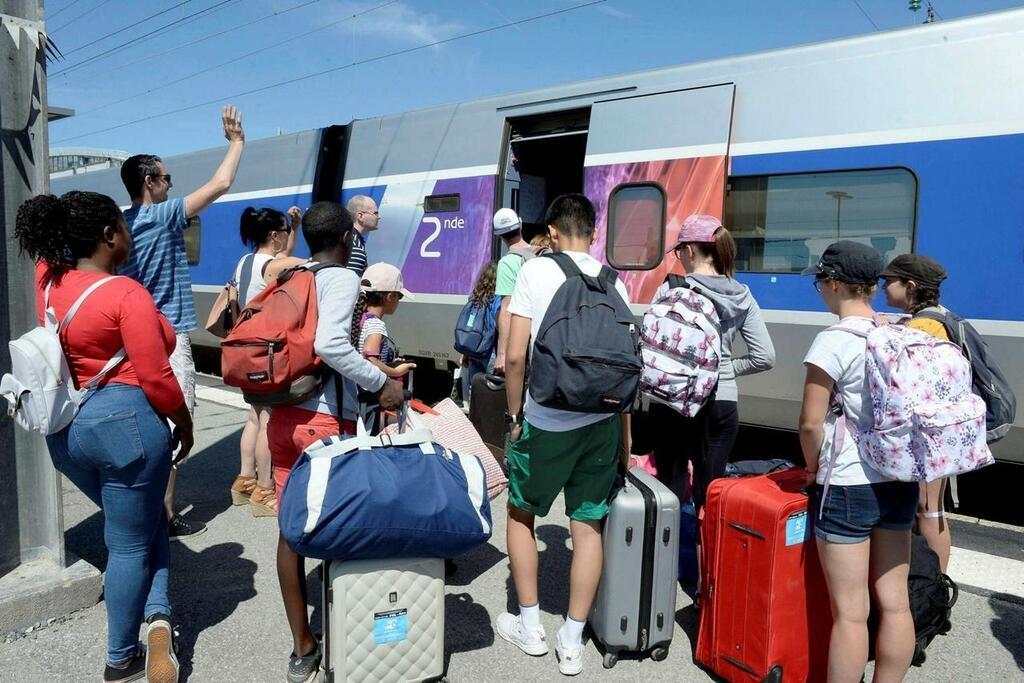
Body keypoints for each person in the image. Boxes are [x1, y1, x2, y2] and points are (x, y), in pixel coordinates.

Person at [15, 191, 193, 683]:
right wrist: (185, 422)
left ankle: (158, 620)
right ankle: (120, 658)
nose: (130, 232)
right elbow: (157, 379)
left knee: (141, 526)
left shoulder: (47, 279)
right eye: (124, 224)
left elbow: (49, 253)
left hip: (67, 432)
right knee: (130, 544)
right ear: (108, 236)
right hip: (128, 431)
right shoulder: (126, 294)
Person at [266, 202, 405, 682]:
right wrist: (379, 383)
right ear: (347, 236)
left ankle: (303, 646)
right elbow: (329, 344)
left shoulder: (292, 275)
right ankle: (353, 643)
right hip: (322, 423)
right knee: (344, 527)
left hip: (282, 421)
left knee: (290, 533)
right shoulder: (342, 277)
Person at [498, 194, 631, 677]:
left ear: (552, 232)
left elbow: (515, 357)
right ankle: (572, 640)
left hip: (547, 418)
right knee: (588, 526)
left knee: (520, 514)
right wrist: (624, 439)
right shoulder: (615, 279)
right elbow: (624, 366)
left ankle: (530, 626)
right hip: (601, 422)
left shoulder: (536, 270)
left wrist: (515, 416)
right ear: (593, 232)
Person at [119, 105, 245, 539]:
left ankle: (141, 510)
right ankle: (165, 518)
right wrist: (236, 143)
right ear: (149, 182)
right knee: (174, 427)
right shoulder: (161, 214)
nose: (172, 185)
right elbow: (221, 183)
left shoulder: (120, 223)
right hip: (167, 339)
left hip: (129, 339)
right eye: (167, 178)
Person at [800, 241, 917, 682]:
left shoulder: (832, 340)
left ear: (832, 284)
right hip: (898, 476)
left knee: (850, 613)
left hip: (848, 483)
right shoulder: (896, 329)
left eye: (819, 283)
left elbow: (811, 423)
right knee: (895, 601)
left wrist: (812, 469)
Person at [650, 215, 775, 510]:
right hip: (722, 402)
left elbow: (654, 348)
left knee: (670, 489)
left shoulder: (671, 289)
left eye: (679, 250)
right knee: (710, 496)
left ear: (690, 250)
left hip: (674, 401)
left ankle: (671, 553)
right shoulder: (743, 295)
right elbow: (765, 356)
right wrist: (724, 371)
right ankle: (707, 555)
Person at [230, 205, 306, 517]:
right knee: (268, 420)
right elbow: (304, 263)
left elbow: (278, 256)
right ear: (275, 236)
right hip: (267, 352)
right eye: (286, 232)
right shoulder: (275, 266)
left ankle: (245, 480)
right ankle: (265, 488)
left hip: (244, 348)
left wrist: (295, 227)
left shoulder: (244, 262)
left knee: (253, 416)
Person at [880, 253, 953, 571]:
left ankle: (933, 586)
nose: (883, 287)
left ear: (909, 286)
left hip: (928, 433)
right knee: (927, 508)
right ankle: (926, 584)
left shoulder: (924, 325)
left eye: (889, 281)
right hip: (937, 429)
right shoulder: (939, 317)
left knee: (927, 508)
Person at [350, 262, 416, 432]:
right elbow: (370, 361)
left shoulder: (360, 318)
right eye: (399, 297)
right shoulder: (376, 325)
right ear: (390, 297)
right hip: (369, 397)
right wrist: (396, 371)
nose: (399, 302)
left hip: (355, 395)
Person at [492, 208, 533, 374]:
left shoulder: (508, 262)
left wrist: (502, 354)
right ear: (521, 225)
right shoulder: (543, 254)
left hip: (522, 341)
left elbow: (507, 309)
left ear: (499, 236)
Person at [459, 261, 501, 402]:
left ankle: (474, 417)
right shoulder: (497, 299)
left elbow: (469, 327)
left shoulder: (475, 298)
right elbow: (500, 326)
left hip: (474, 351)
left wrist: (465, 352)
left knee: (474, 390)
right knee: (492, 390)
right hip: (490, 352)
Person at [345, 195, 379, 277]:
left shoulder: (351, 238)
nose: (379, 217)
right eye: (375, 213)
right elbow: (352, 283)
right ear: (360, 216)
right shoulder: (354, 245)